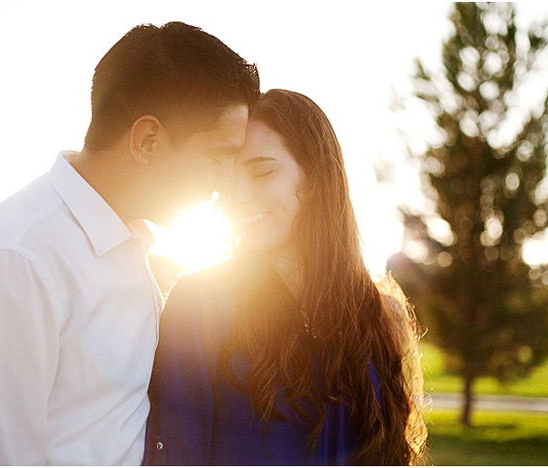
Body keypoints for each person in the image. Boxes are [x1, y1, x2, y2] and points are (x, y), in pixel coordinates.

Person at [0, 22, 259, 465]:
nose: (225, 181)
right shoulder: (16, 260)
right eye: (216, 158)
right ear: (147, 141)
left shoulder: (129, 249)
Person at [143, 89, 427, 465]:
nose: (238, 195)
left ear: (314, 179)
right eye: (228, 178)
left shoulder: (379, 314)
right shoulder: (199, 305)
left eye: (262, 172)